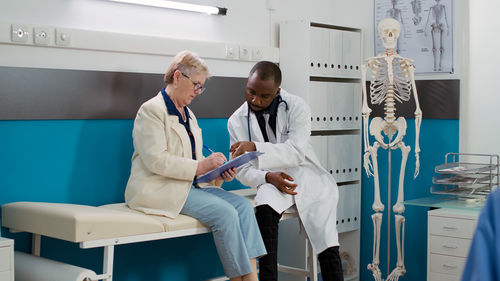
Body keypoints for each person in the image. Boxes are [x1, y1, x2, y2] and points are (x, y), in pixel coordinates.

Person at [124, 50, 266, 281]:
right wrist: (201, 166)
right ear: (178, 77)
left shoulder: (188, 114)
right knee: (226, 213)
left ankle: (251, 279)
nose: (198, 92)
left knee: (244, 208)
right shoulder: (151, 111)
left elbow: (195, 162)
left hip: (190, 187)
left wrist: (218, 173)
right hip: (161, 188)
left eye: (202, 87)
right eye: (196, 85)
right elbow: (155, 160)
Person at [228, 61, 343, 281]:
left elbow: (296, 152)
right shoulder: (236, 120)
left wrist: (254, 147)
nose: (255, 100)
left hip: (307, 177)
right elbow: (242, 169)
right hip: (271, 180)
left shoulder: (297, 106)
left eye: (264, 96)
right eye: (251, 92)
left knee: (327, 244)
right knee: (264, 205)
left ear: (277, 92)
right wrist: (267, 177)